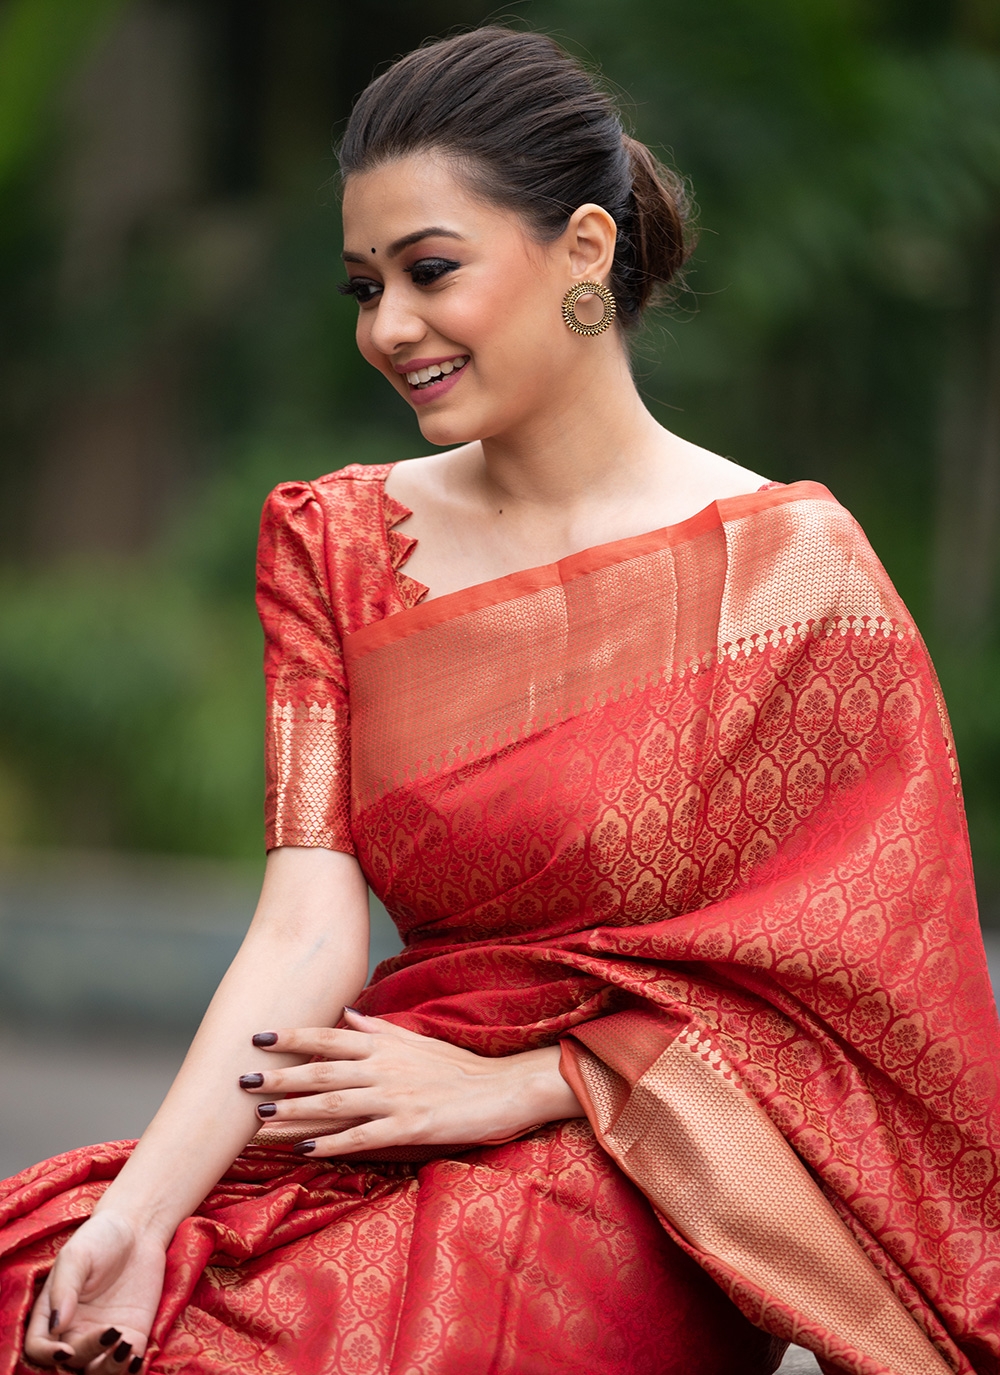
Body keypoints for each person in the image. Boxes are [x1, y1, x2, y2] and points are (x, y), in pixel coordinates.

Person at [2, 25, 997, 1375]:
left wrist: (532, 1086)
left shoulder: (790, 580)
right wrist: (140, 1210)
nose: (387, 327)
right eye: (364, 286)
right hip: (373, 1109)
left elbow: (861, 1006)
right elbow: (306, 931)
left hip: (630, 1187)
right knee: (51, 1290)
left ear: (586, 252)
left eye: (429, 272)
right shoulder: (334, 542)